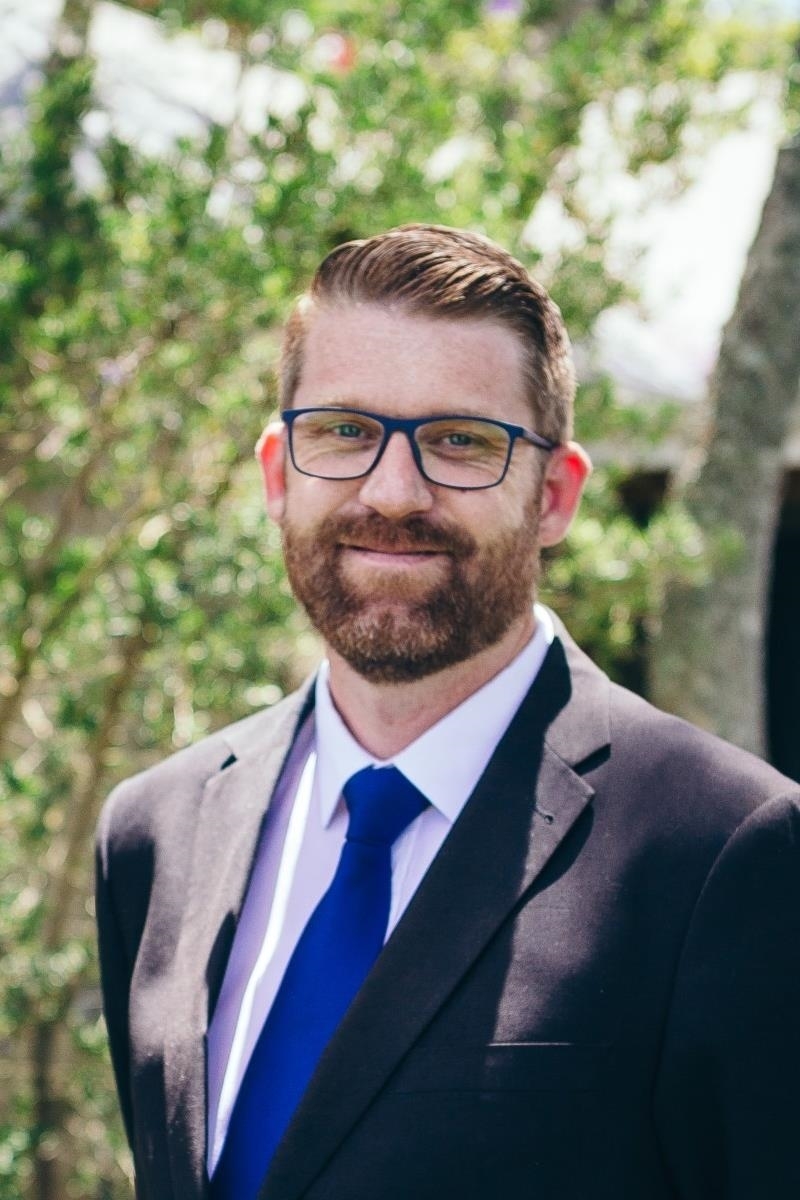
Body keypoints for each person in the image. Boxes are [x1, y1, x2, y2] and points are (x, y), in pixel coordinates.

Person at [95, 224, 800, 1200]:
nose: (393, 492)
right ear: (278, 474)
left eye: (460, 441)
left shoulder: (724, 853)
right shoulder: (154, 832)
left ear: (553, 497)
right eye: (344, 431)